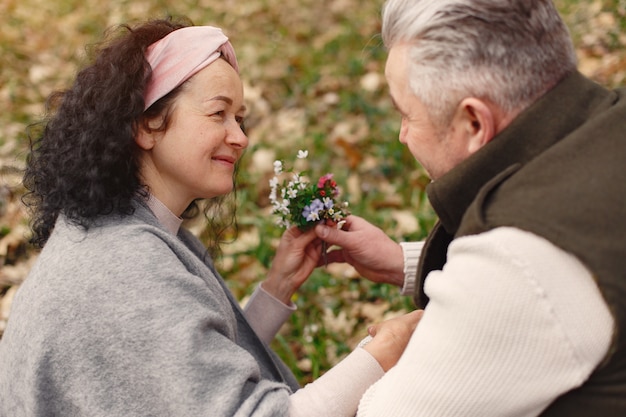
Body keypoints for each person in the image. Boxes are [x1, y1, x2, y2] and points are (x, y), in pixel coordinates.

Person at [0, 18, 422, 417]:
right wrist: (385, 352)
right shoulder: (122, 269)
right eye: (217, 113)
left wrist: (277, 290)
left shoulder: (124, 232)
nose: (240, 138)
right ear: (147, 126)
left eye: (239, 119)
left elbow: (185, 375)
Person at [314, 0, 626, 415]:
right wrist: (405, 262)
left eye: (407, 115)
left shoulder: (519, 260)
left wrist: (386, 352)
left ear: (474, 123)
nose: (404, 136)